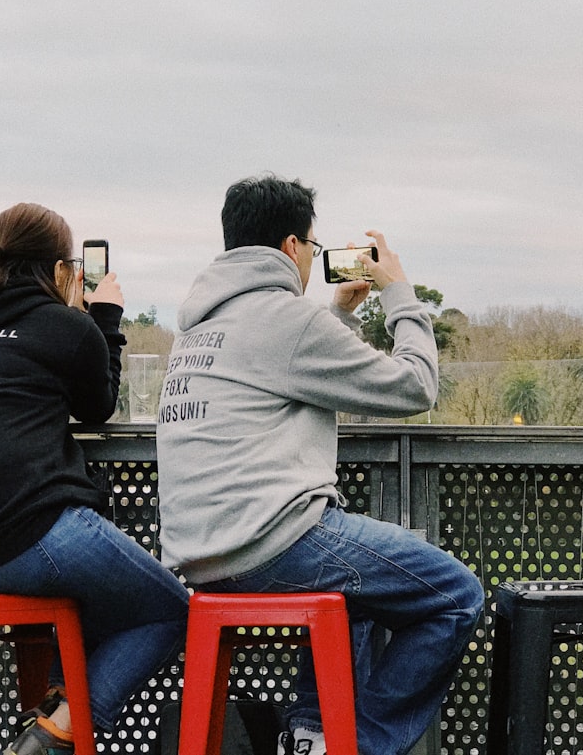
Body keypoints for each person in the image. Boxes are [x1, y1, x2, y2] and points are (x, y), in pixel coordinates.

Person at [155, 176, 483, 755]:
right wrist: (400, 292)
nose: (310, 255)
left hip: (200, 555)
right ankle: (359, 746)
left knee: (357, 589)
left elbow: (291, 370)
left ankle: (310, 736)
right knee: (456, 595)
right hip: (270, 543)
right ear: (289, 248)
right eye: (311, 244)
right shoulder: (286, 319)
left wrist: (338, 314)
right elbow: (415, 387)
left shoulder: (199, 325)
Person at [0, 203, 189, 755]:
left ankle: (59, 702)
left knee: (86, 596)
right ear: (63, 270)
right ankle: (58, 732)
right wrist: (101, 319)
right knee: (168, 608)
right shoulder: (62, 324)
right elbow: (99, 404)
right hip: (22, 533)